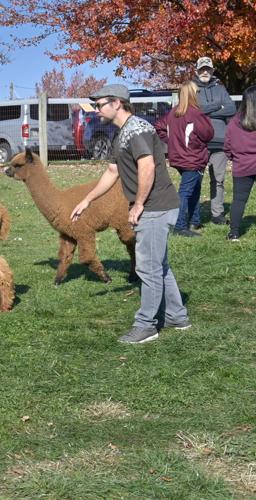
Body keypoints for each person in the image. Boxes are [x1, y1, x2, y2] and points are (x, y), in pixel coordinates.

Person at [71, 84, 189, 344]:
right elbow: (113, 172)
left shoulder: (136, 130)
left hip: (155, 207)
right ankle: (177, 316)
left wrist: (138, 205)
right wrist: (87, 200)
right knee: (159, 265)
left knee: (147, 267)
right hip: (152, 205)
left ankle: (146, 325)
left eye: (100, 104)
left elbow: (147, 167)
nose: (96, 110)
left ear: (117, 103)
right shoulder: (121, 133)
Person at [155, 81, 214, 237]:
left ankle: (195, 220)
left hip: (180, 157)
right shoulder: (196, 113)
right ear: (192, 94)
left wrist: (172, 143)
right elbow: (208, 134)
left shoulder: (174, 112)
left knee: (194, 188)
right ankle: (180, 226)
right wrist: (179, 142)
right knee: (186, 191)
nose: (199, 95)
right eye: (197, 92)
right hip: (192, 158)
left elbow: (159, 126)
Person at [223, 85, 256, 242]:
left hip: (242, 166)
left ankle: (234, 233)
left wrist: (237, 158)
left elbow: (227, 147)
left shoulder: (234, 122)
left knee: (239, 200)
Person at [192, 57, 237, 225]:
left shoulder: (220, 89)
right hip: (199, 143)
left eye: (208, 69)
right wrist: (218, 108)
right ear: (196, 70)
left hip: (219, 143)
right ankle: (193, 215)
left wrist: (206, 112)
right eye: (202, 69)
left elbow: (231, 108)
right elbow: (192, 111)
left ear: (212, 70)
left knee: (218, 180)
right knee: (195, 180)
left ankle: (217, 214)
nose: (205, 72)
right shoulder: (191, 89)